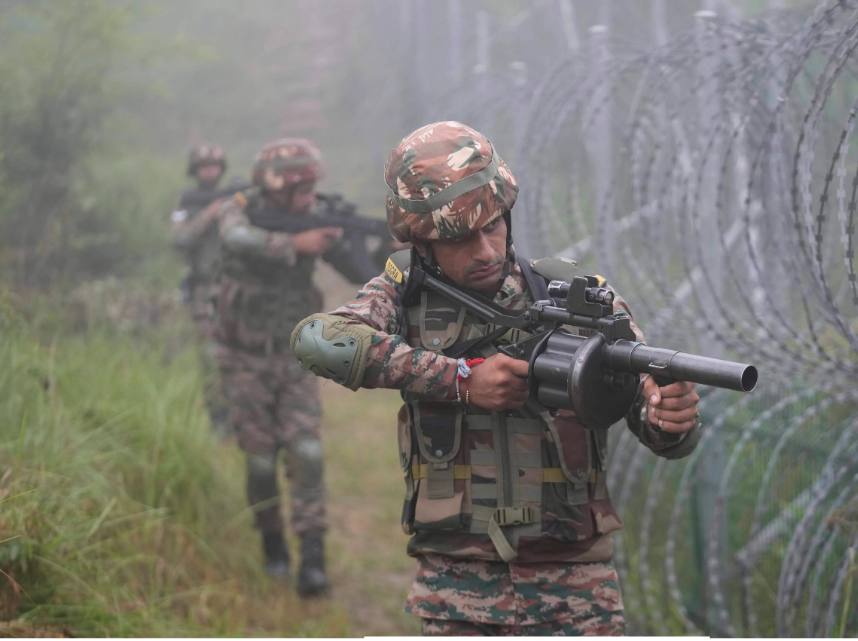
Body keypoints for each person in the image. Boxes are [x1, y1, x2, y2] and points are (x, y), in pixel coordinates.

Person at [289, 122, 702, 634]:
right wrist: (460, 379)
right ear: (421, 241)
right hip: (458, 584)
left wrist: (669, 418)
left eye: (493, 227)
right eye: (460, 238)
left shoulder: (576, 297)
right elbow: (317, 339)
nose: (484, 251)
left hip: (577, 585)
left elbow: (653, 418)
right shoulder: (402, 293)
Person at [211, 137, 349, 597]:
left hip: (295, 358)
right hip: (243, 359)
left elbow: (357, 267)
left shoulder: (314, 217)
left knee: (307, 454)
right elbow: (234, 237)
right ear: (277, 186)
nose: (311, 197)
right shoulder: (239, 208)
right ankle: (272, 542)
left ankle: (313, 559)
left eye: (314, 188)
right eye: (303, 188)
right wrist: (295, 242)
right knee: (260, 462)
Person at [170, 143, 233, 438]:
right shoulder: (186, 203)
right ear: (195, 171)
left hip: (236, 289)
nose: (209, 172)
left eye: (214, 166)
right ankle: (218, 421)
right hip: (204, 291)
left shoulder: (234, 199)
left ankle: (242, 417)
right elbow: (180, 241)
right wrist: (209, 214)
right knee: (211, 357)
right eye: (203, 167)